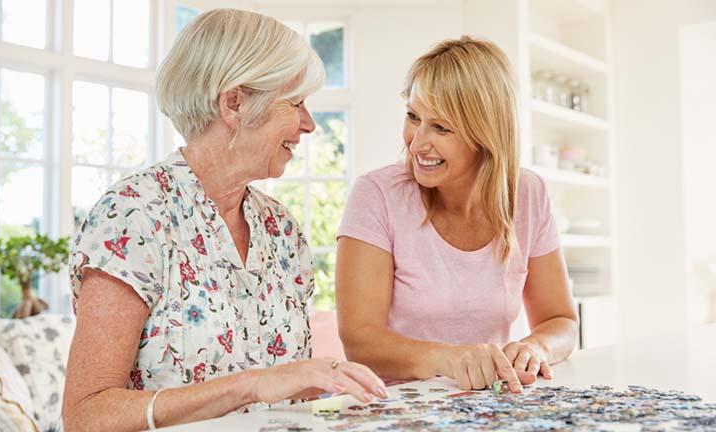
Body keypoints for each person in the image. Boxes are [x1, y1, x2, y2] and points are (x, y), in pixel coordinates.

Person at [62, 9, 386, 432]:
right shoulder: (133, 216)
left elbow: (283, 391)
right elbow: (85, 416)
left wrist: (327, 384)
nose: (308, 124)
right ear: (234, 103)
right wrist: (251, 385)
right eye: (296, 103)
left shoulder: (282, 230)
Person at [336, 36, 579, 394]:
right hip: (398, 409)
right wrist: (451, 359)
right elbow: (360, 341)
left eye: (441, 127)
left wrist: (535, 347)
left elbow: (561, 321)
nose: (416, 143)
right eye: (413, 117)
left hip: (488, 405)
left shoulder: (528, 194)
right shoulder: (376, 195)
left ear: (486, 135)